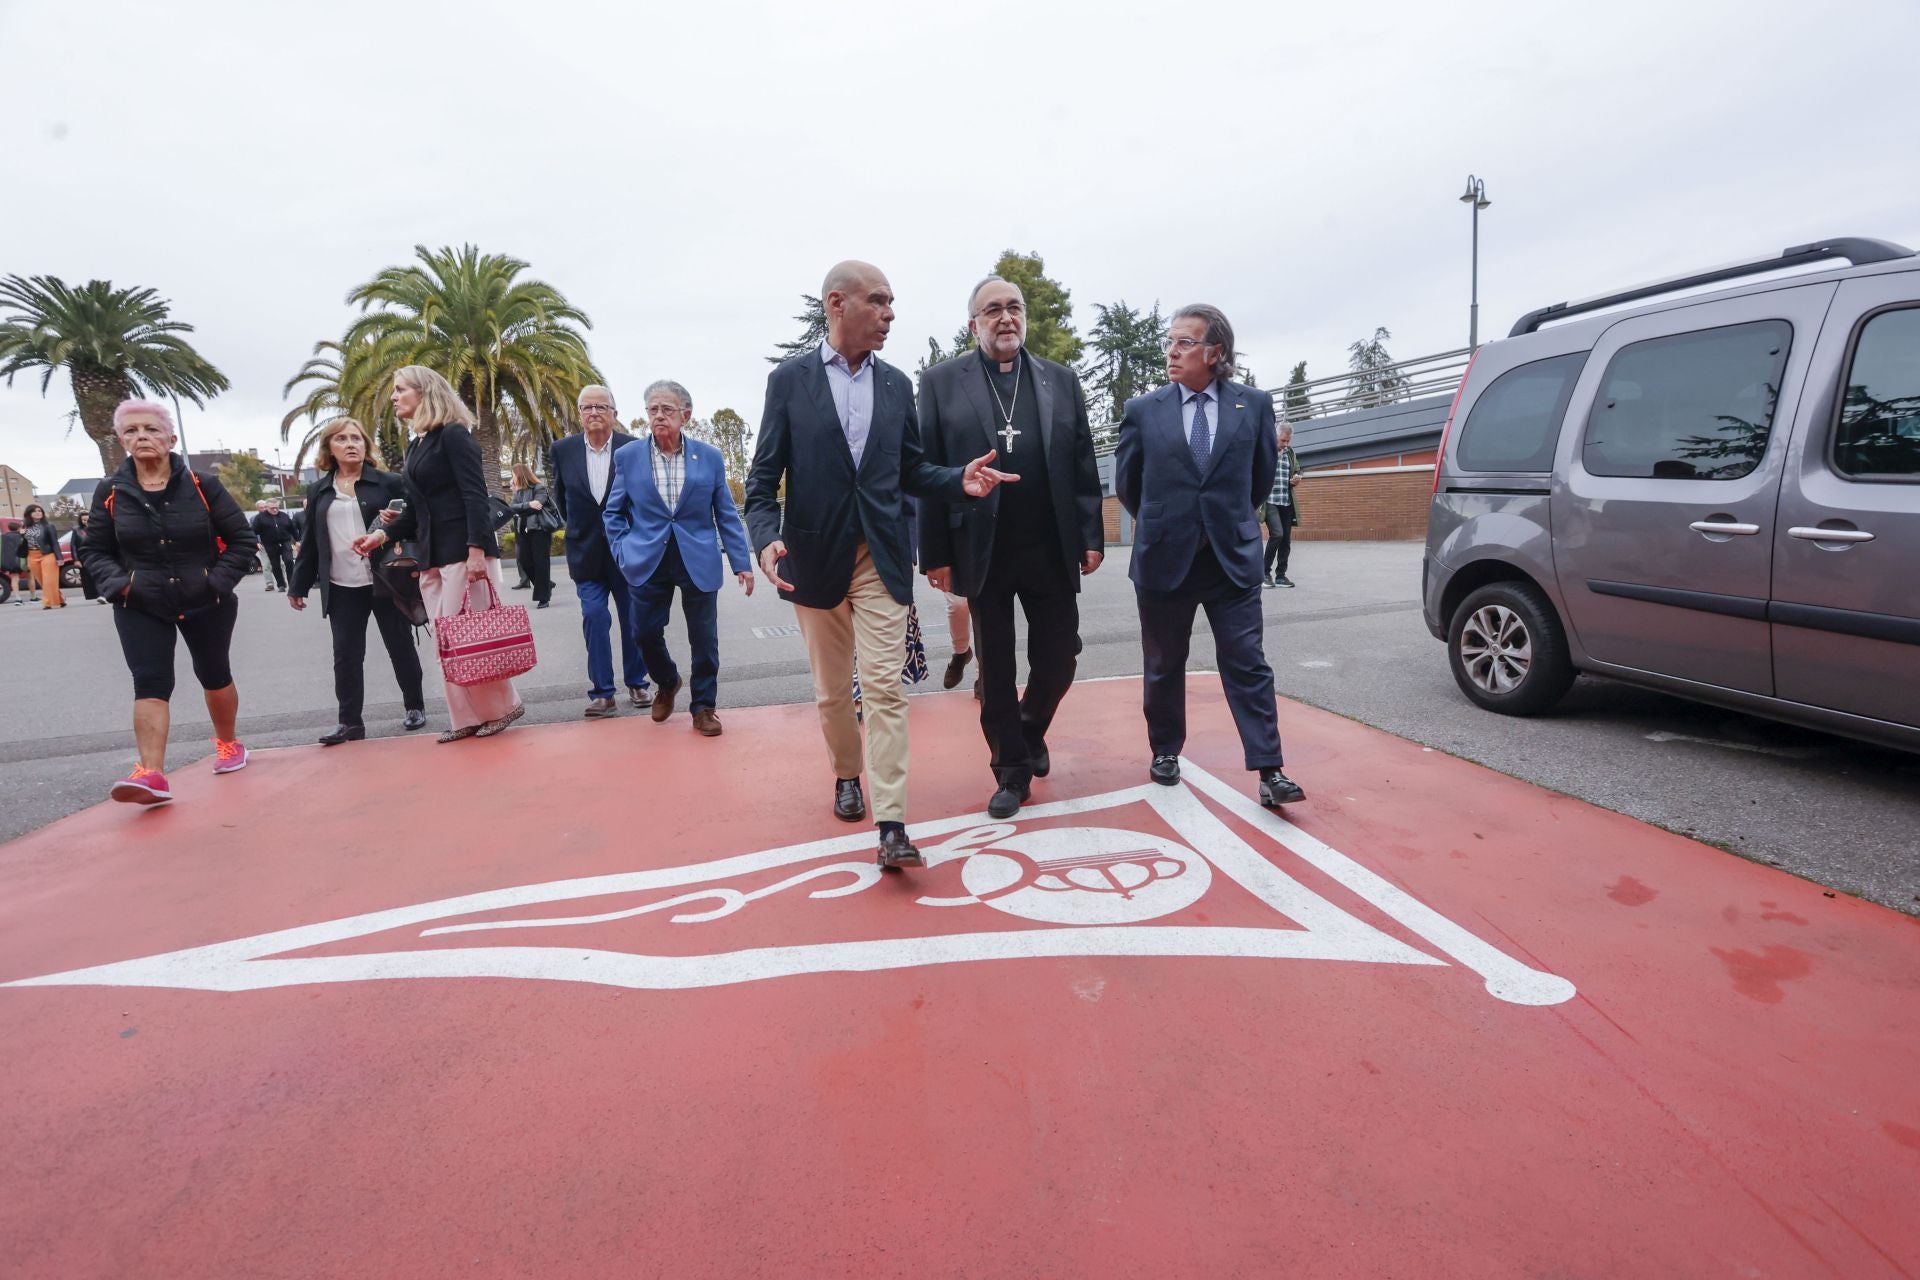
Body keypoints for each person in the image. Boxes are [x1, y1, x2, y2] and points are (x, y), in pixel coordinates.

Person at [745, 259, 1016, 870]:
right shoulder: (789, 382)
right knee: (832, 692)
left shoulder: (896, 383)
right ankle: (847, 773)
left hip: (882, 557)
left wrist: (957, 480)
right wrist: (765, 540)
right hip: (813, 559)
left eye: (893, 303)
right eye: (879, 301)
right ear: (838, 304)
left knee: (887, 687)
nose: (891, 314)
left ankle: (892, 822)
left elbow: (912, 469)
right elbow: (762, 481)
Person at [917, 276, 1105, 818]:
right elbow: (926, 468)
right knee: (995, 666)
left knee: (1059, 657)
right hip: (980, 545)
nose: (1006, 318)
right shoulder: (940, 382)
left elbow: (1083, 463)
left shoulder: (1060, 380)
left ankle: (1027, 728)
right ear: (973, 323)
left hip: (1049, 543)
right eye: (993, 310)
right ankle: (1010, 770)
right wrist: (935, 554)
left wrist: (1091, 535)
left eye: (1014, 308)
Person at [1114, 304, 1306, 807]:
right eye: (1170, 342)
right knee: (1163, 662)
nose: (1172, 352)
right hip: (1164, 557)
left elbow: (1260, 478)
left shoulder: (1254, 405)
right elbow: (1128, 485)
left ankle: (1270, 769)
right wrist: (1168, 520)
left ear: (1215, 351)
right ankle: (1165, 750)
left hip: (1231, 557)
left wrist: (1227, 520)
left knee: (1247, 662)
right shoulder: (1143, 410)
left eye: (1185, 342)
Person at [82, 399, 258, 804]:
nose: (141, 436)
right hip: (141, 601)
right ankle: (151, 775)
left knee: (214, 673)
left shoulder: (202, 485)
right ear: (122, 440)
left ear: (170, 438)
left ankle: (229, 744)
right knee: (150, 682)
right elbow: (95, 551)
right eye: (131, 431)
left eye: (150, 429)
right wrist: (121, 586)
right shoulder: (110, 491)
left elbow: (242, 540)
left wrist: (216, 582)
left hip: (205, 598)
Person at [353, 365, 525, 742]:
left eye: (400, 389)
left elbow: (474, 496)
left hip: (464, 553)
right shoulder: (417, 444)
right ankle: (465, 718)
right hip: (432, 556)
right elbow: (415, 510)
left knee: (470, 638)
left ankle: (502, 707)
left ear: (425, 391)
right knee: (448, 644)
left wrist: (478, 550)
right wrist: (380, 536)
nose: (394, 396)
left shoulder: (454, 436)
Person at [605, 379, 755, 737]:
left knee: (703, 638)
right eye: (653, 410)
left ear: (685, 415)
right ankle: (668, 680)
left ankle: (704, 707)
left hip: (697, 556)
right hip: (647, 557)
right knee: (643, 632)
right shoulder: (627, 457)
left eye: (667, 409)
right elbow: (613, 513)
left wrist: (741, 562)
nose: (659, 416)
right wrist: (623, 549)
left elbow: (726, 514)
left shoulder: (710, 457)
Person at [288, 418, 428, 744]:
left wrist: (394, 524)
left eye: (356, 438)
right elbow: (311, 542)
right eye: (342, 439)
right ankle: (349, 722)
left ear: (366, 445)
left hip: (385, 578)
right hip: (341, 584)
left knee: (400, 646)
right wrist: (298, 584)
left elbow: (414, 522)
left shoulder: (388, 482)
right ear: (329, 449)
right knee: (346, 655)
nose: (351, 444)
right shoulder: (319, 489)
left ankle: (414, 706)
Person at [550, 385, 651, 718]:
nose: (593, 412)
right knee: (594, 617)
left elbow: (644, 497)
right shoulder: (562, 450)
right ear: (579, 413)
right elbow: (560, 496)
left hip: (626, 552)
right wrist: (575, 531)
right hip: (585, 553)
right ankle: (602, 692)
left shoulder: (633, 448)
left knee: (633, 619)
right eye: (586, 407)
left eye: (601, 407)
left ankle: (637, 683)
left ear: (614, 414)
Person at [506, 463, 557, 608]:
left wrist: (523, 508)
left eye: (513, 475)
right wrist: (529, 505)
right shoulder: (518, 493)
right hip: (524, 531)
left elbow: (539, 504)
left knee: (541, 564)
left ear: (520, 475)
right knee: (524, 560)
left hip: (540, 529)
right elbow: (511, 508)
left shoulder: (539, 488)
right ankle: (546, 584)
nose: (512, 478)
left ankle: (543, 598)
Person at [1262, 422, 1301, 588]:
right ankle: (1264, 574)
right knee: (1277, 534)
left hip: (1286, 501)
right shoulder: (1265, 451)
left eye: (1288, 441)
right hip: (1270, 501)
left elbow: (1296, 470)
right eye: (1283, 440)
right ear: (1275, 436)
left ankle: (1281, 575)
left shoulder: (1290, 453)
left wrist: (1296, 479)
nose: (1285, 444)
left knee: (1286, 539)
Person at [19, 504, 65, 608]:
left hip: (47, 554)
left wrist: (59, 557)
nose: (38, 512)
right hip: (31, 556)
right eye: (35, 511)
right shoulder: (24, 527)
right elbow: (23, 544)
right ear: (29, 514)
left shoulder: (49, 526)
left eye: (40, 511)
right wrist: (21, 535)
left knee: (49, 580)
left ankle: (49, 603)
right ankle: (60, 599)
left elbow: (55, 543)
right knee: (43, 582)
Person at [253, 499, 295, 592]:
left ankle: (292, 583)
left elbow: (292, 528)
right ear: (267, 508)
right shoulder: (260, 518)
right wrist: (256, 542)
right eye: (272, 508)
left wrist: (297, 541)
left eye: (276, 508)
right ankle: (281, 584)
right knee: (275, 565)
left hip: (285, 542)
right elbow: (253, 531)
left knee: (289, 561)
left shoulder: (284, 516)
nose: (275, 510)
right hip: (270, 544)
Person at [71, 510, 102, 601]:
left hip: (98, 556)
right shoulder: (76, 530)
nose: (86, 522)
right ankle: (95, 595)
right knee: (88, 578)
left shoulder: (98, 528)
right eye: (83, 520)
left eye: (87, 519)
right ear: (80, 520)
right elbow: (73, 545)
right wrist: (76, 559)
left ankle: (103, 594)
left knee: (100, 575)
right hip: (84, 557)